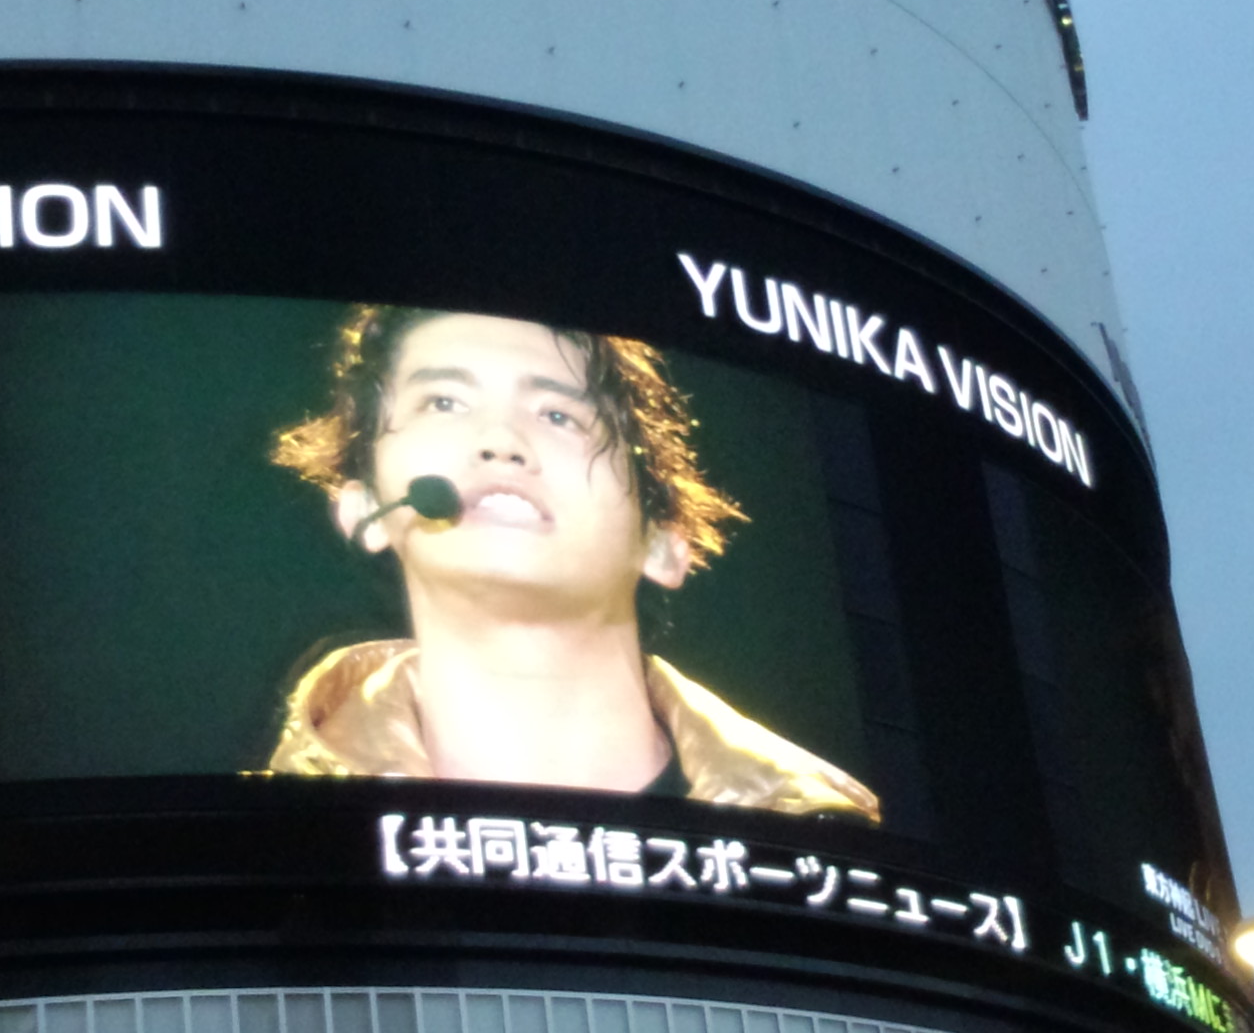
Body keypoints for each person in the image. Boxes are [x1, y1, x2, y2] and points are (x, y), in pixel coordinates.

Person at [267, 304, 879, 821]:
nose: (499, 442)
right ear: (362, 510)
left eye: (559, 415)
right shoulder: (284, 837)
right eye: (443, 402)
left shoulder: (822, 830)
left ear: (663, 545)